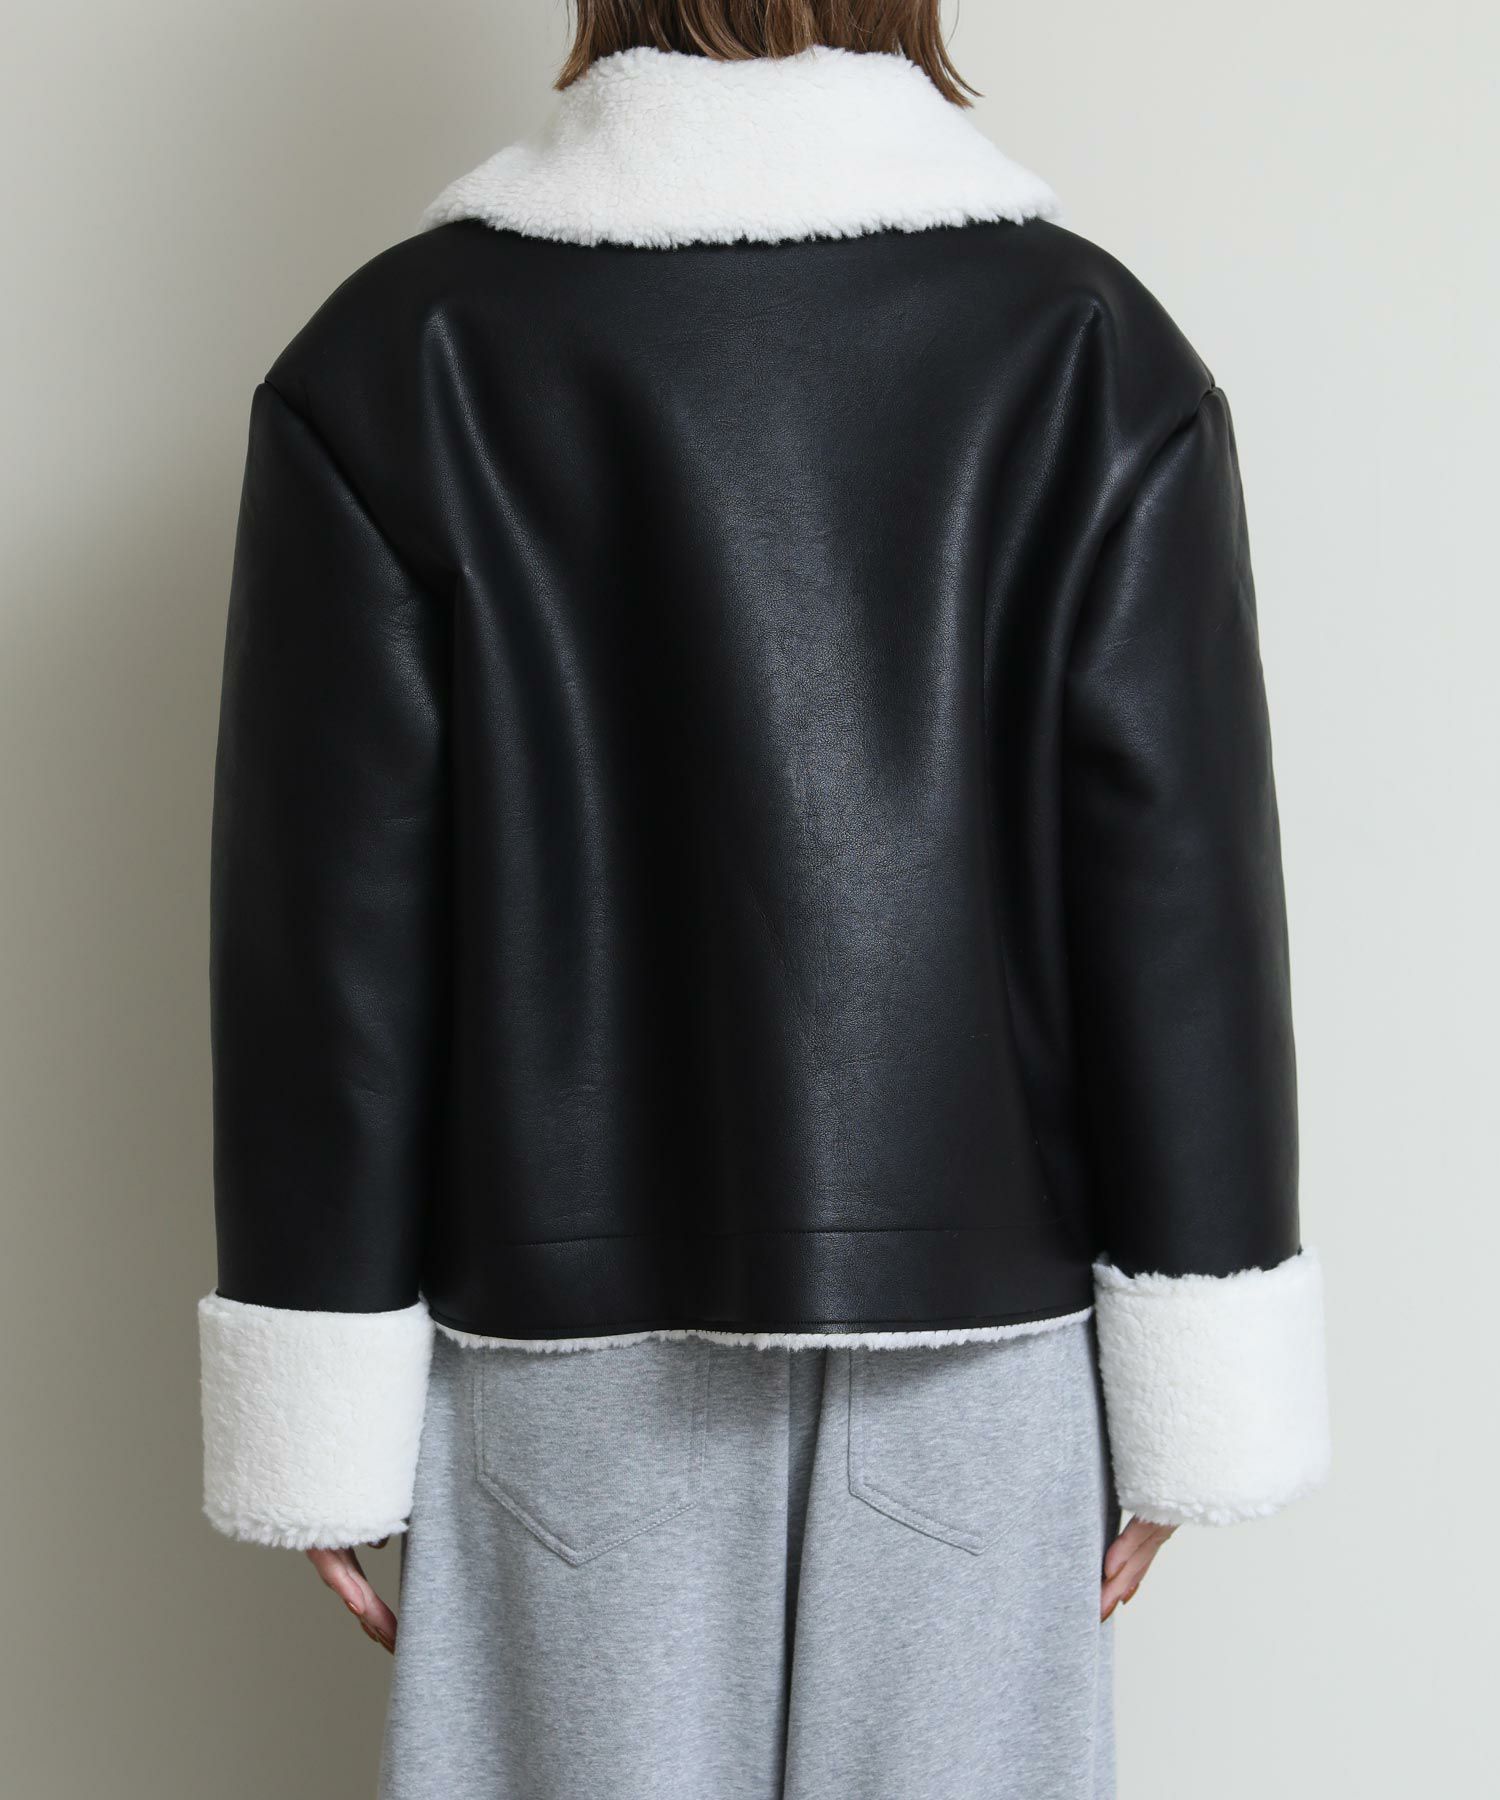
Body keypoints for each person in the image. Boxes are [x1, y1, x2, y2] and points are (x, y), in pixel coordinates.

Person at [197, 4, 1331, 1795]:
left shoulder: (401, 354)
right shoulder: (1085, 343)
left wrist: (314, 1398)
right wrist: (1197, 1374)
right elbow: (1176, 887)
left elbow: (331, 934)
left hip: (561, 1365)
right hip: (979, 1353)